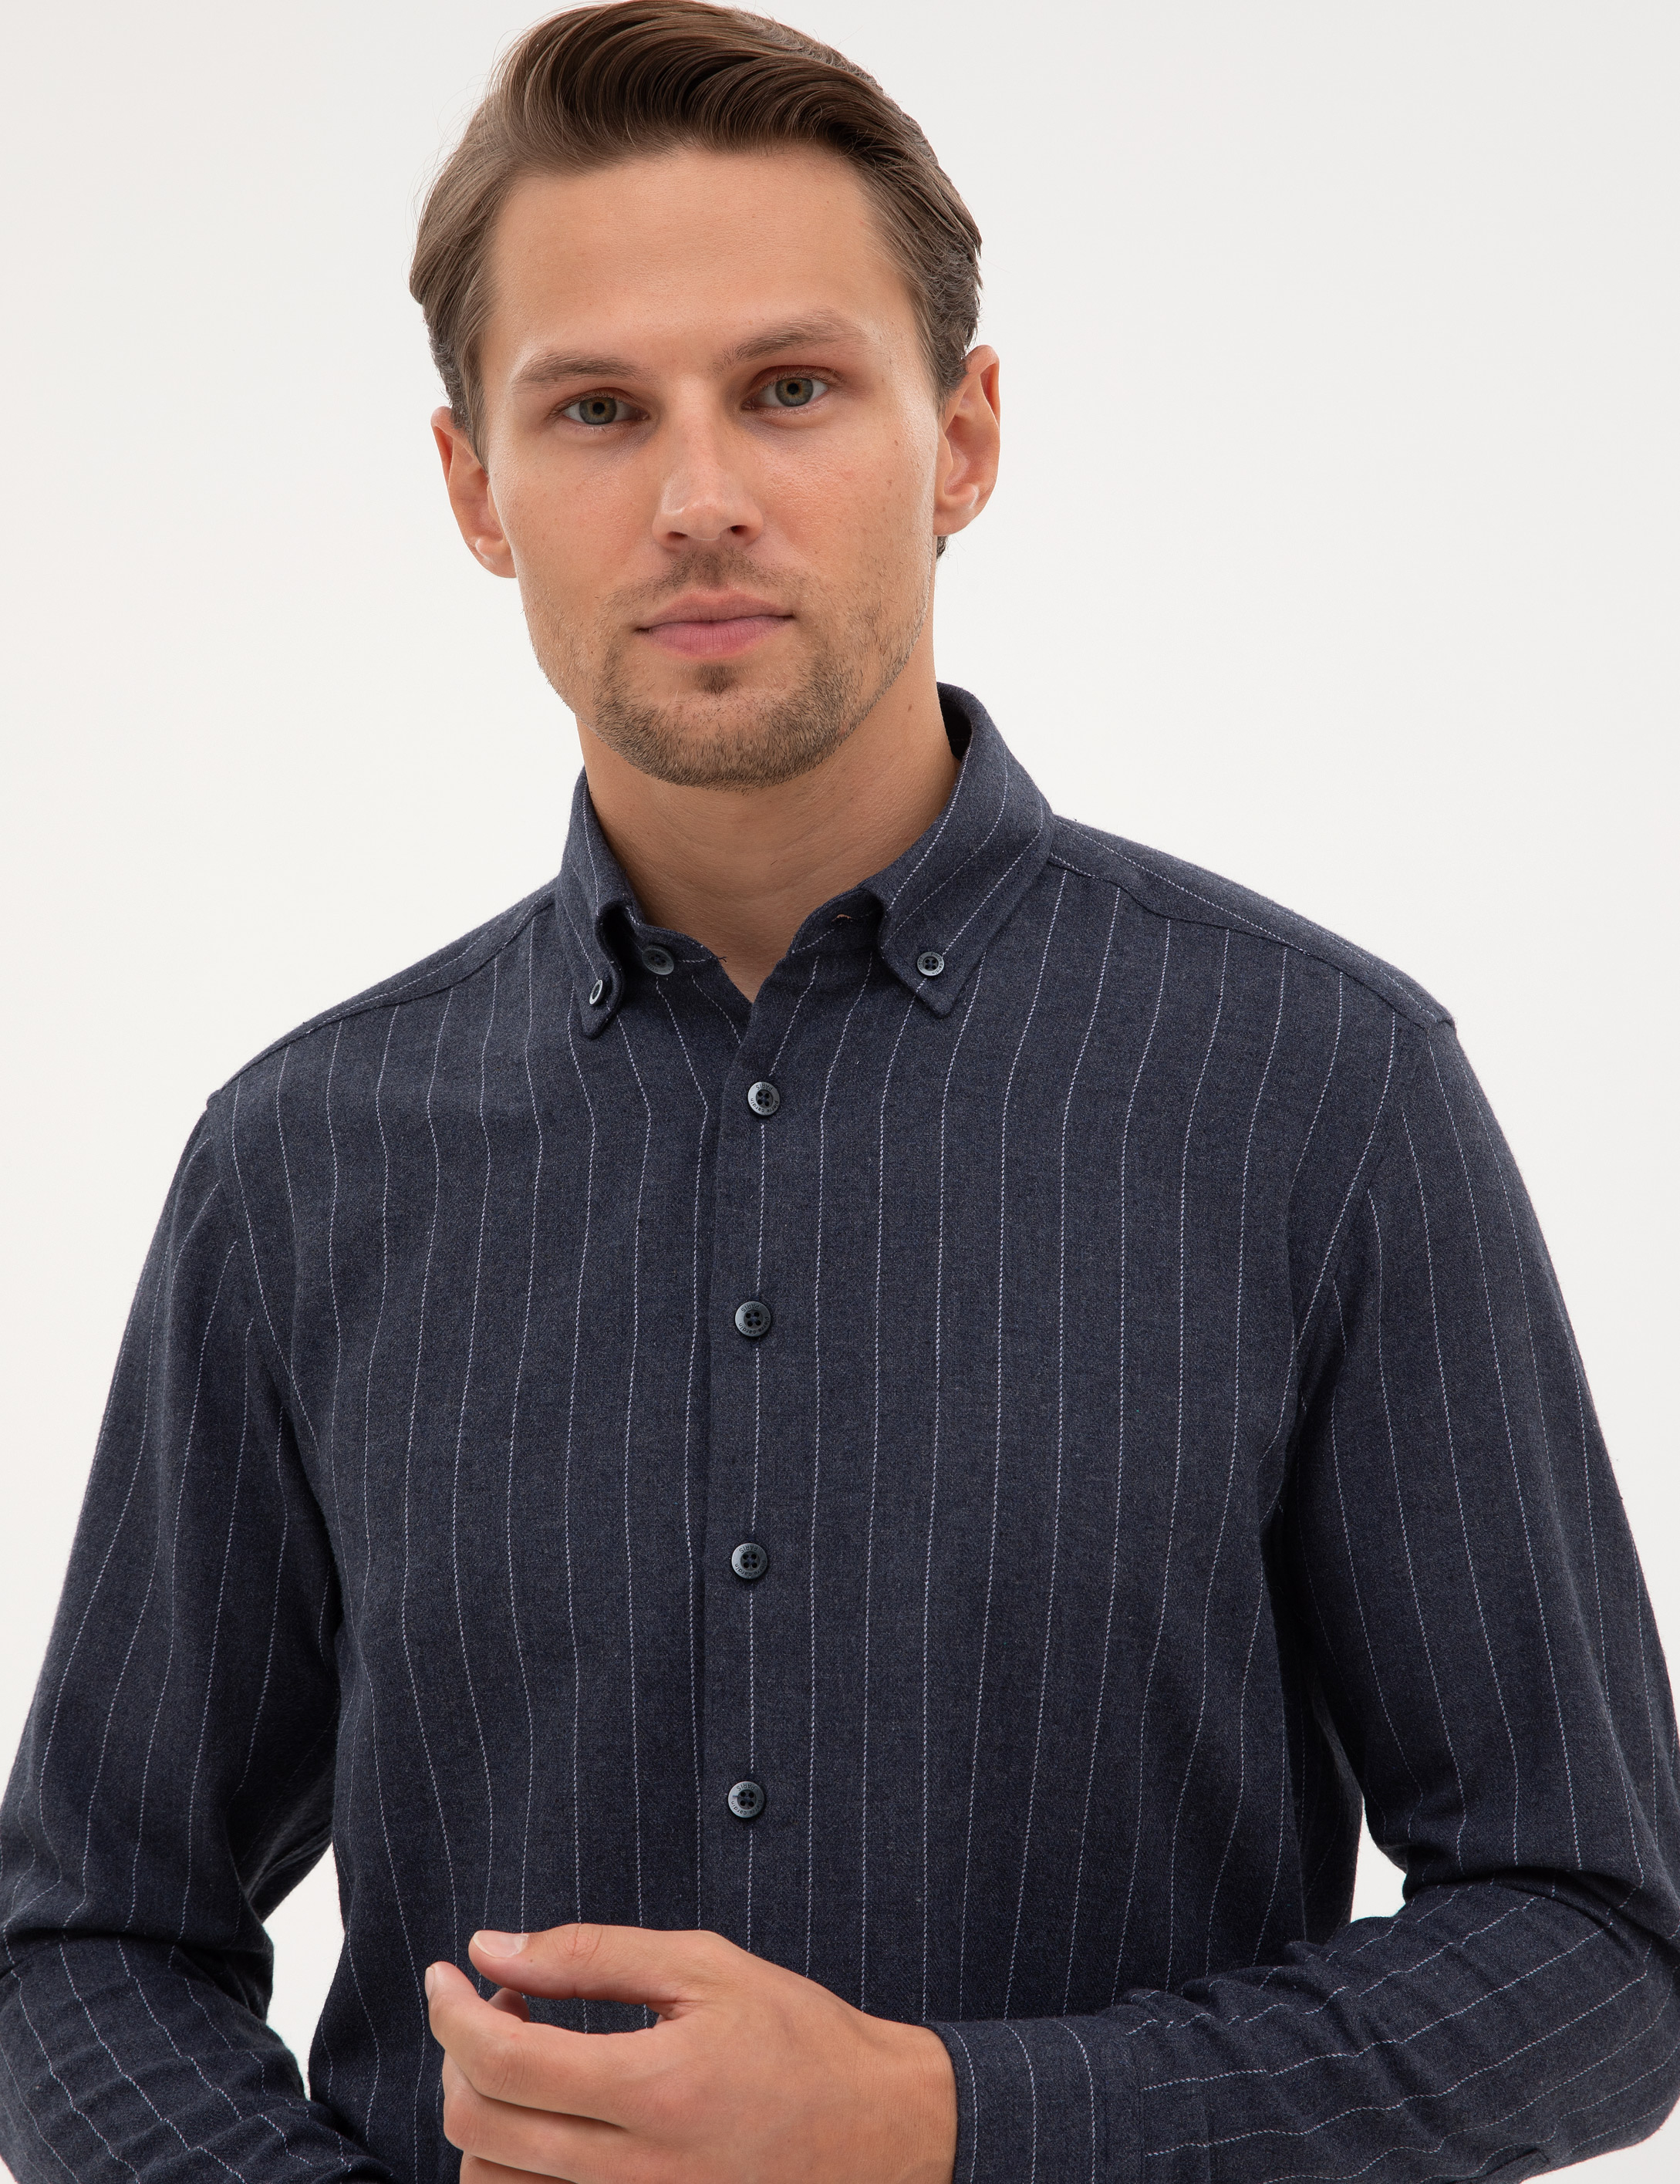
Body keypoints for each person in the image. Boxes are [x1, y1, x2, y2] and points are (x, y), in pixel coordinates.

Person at [2, 2, 1677, 2179]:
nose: (698, 498)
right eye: (596, 409)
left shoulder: (1316, 1092)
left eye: (790, 389)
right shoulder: (301, 1161)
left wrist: (943, 2119)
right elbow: (87, 1938)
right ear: (475, 489)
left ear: (959, 439)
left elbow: (1594, 1941)